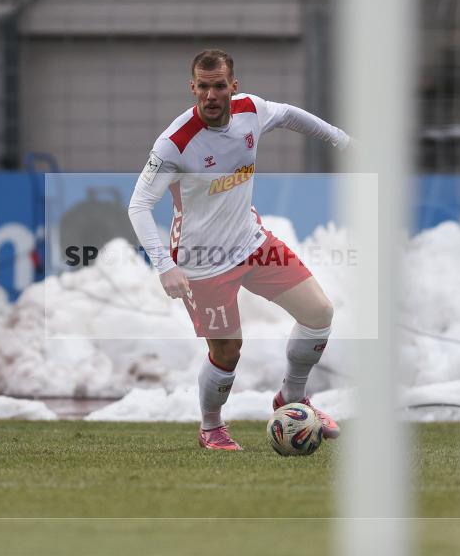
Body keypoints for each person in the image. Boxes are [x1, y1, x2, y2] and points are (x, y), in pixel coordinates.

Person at [128, 49, 349, 451]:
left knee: (319, 313)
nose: (210, 96)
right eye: (202, 87)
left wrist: (339, 138)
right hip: (201, 262)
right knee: (228, 351)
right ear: (192, 87)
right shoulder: (174, 144)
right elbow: (138, 205)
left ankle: (293, 398)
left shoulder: (252, 111)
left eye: (218, 86)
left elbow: (289, 115)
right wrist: (164, 266)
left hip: (252, 242)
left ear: (234, 86)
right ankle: (211, 426)